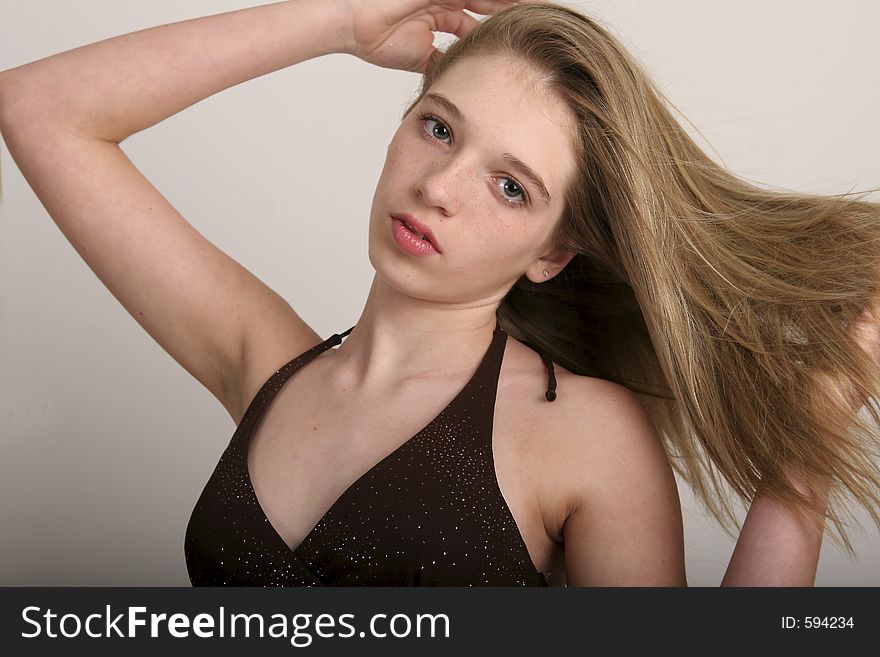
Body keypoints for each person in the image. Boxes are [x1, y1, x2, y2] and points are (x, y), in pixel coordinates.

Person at [0, 0, 877, 586]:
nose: (440, 185)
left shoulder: (583, 433)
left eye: (511, 187)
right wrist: (341, 19)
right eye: (439, 127)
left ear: (553, 252)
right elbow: (37, 107)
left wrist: (805, 454)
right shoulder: (263, 360)